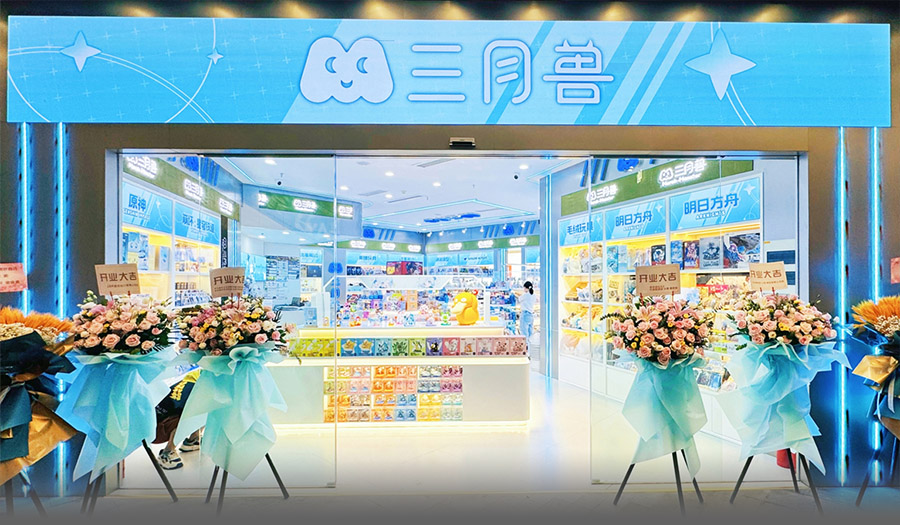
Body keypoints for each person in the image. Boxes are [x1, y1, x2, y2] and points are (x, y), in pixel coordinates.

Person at [153, 369, 203, 469]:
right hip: (159, 431)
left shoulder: (196, 375)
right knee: (205, 407)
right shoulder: (206, 385)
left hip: (152, 423)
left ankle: (194, 439)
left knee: (204, 407)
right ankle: (168, 452)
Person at [518, 281, 536, 346]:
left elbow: (519, 299)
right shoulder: (533, 295)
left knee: (524, 332)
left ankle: (525, 347)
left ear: (526, 288)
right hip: (531, 315)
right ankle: (531, 347)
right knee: (530, 332)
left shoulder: (525, 295)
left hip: (525, 314)